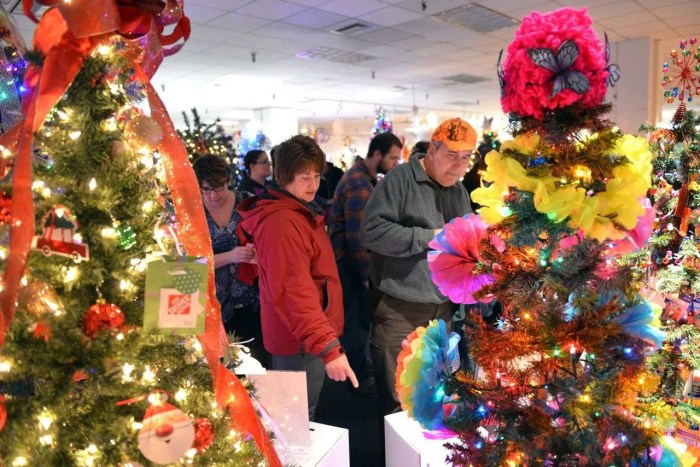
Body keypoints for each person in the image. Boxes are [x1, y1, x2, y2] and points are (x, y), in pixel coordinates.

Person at [360, 118, 477, 416]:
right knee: (399, 404)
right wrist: (429, 238)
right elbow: (371, 232)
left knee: (434, 400)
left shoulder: (458, 191)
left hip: (444, 314)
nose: (459, 167)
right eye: (452, 156)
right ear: (433, 150)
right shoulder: (400, 180)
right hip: (401, 311)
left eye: (465, 159)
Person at [238, 135, 358, 420]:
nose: (313, 185)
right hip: (300, 338)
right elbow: (294, 291)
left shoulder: (297, 212)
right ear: (284, 177)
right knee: (296, 420)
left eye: (317, 176)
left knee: (298, 417)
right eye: (305, 177)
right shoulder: (283, 221)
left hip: (304, 335)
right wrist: (327, 347)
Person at [328, 131, 402, 390]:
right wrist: (367, 279)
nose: (395, 164)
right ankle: (356, 382)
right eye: (393, 158)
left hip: (350, 267)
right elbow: (359, 240)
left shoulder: (362, 178)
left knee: (357, 325)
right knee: (357, 326)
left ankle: (356, 375)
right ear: (378, 154)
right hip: (351, 269)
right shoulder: (359, 183)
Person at [192, 155, 270, 368]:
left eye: (218, 188)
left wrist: (256, 252)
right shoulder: (194, 212)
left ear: (228, 181)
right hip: (212, 304)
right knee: (221, 369)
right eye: (205, 189)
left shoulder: (246, 202)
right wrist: (231, 256)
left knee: (257, 363)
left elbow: (266, 242)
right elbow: (190, 263)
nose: (213, 195)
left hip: (249, 299)